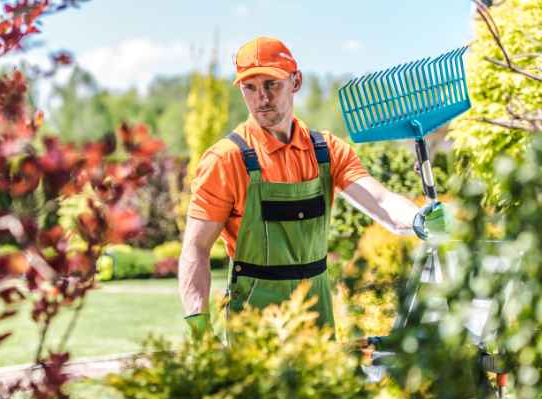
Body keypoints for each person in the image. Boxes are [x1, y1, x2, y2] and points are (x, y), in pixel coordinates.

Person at [178, 36, 449, 340]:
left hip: (317, 313)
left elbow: (381, 200)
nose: (261, 98)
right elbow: (196, 247)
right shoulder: (226, 159)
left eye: (271, 84)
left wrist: (417, 219)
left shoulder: (326, 150)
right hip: (256, 320)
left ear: (296, 81)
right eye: (249, 88)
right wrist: (198, 320)